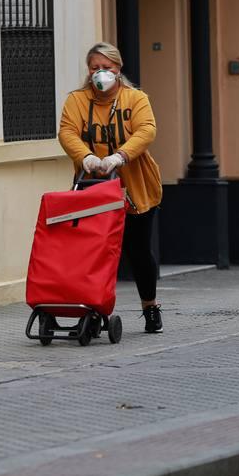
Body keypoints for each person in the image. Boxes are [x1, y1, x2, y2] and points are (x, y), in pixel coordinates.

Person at [58, 43, 165, 333]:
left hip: (136, 187)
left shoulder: (135, 98)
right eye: (95, 68)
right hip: (94, 188)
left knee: (138, 250)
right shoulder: (77, 101)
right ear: (88, 70)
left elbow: (147, 130)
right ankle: (93, 310)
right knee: (95, 253)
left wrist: (120, 156)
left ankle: (150, 307)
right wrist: (87, 158)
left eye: (107, 68)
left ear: (118, 69)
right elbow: (67, 132)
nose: (101, 73)